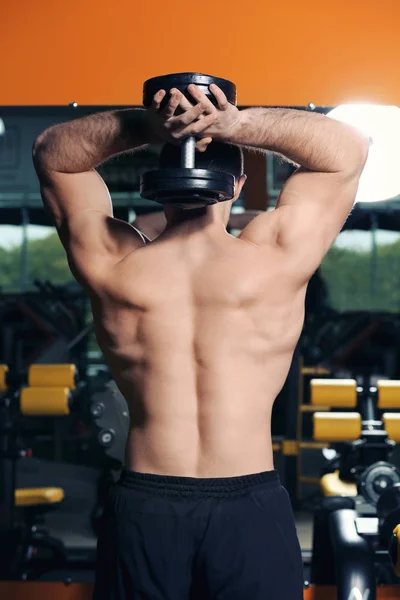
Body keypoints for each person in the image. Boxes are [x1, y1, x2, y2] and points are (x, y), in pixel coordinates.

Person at [33, 82, 369, 600]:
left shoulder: (114, 264)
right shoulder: (275, 259)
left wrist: (154, 124)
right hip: (249, 505)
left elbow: (53, 154)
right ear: (236, 186)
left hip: (145, 505)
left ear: (156, 184)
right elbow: (348, 149)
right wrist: (227, 123)